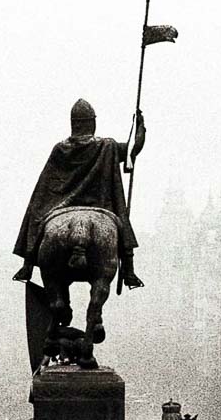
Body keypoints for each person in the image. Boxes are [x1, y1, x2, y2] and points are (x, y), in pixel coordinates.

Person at [13, 99, 146, 289]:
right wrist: (141, 126)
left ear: (73, 123)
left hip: (62, 205)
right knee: (121, 222)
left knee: (36, 207)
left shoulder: (61, 148)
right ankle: (129, 270)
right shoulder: (107, 146)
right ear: (92, 122)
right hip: (100, 205)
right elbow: (135, 148)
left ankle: (27, 265)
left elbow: (45, 186)